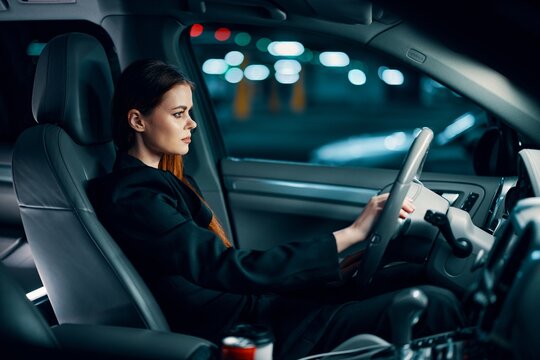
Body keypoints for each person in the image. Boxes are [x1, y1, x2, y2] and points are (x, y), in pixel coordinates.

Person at [88, 59, 465, 359]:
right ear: (137, 120)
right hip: (246, 328)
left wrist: (339, 267)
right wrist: (351, 234)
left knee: (410, 276)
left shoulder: (159, 183)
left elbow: (227, 264)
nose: (193, 123)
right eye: (178, 114)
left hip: (256, 309)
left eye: (190, 112)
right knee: (435, 305)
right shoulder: (135, 197)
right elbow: (224, 268)